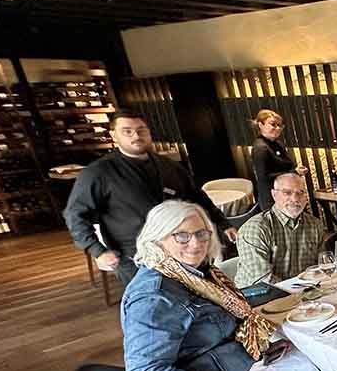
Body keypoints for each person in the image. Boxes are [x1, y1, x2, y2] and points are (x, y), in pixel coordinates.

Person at [122, 200, 277, 371]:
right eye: (181, 236)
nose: (195, 244)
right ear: (157, 239)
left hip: (242, 364)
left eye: (201, 234)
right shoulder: (154, 296)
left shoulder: (198, 273)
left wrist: (264, 347)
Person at [64, 109, 235, 287]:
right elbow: (75, 215)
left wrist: (223, 223)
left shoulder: (169, 166)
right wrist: (98, 250)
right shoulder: (98, 172)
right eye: (127, 131)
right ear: (114, 136)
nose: (136, 135)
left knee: (198, 300)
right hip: (135, 257)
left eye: (141, 130)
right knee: (156, 304)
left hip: (182, 251)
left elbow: (198, 198)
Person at [234, 173, 326, 288]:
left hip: (302, 293)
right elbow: (262, 280)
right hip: (258, 297)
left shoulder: (315, 225)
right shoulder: (256, 229)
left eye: (300, 192)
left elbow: (321, 267)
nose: (295, 198)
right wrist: (299, 291)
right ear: (274, 194)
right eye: (287, 193)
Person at [250, 109, 306, 211]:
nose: (277, 128)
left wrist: (296, 172)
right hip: (273, 199)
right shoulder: (260, 148)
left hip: (287, 195)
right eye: (273, 124)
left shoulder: (277, 143)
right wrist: (294, 172)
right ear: (260, 125)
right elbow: (263, 177)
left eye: (280, 125)